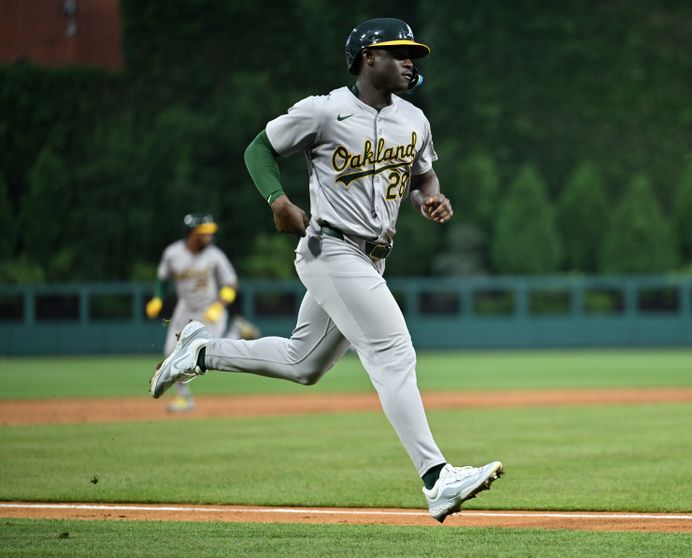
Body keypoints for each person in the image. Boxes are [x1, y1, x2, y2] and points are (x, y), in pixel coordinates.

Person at [149, 18, 503, 522]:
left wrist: (432, 197)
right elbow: (259, 149)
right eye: (397, 52)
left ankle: (200, 353)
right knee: (392, 350)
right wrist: (277, 199)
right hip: (329, 247)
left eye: (412, 55)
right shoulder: (325, 111)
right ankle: (436, 478)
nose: (410, 62)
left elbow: (423, 171)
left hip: (372, 257)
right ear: (365, 59)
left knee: (304, 363)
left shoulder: (414, 119)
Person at [146, 213, 260, 412]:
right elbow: (162, 280)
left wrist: (219, 305)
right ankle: (185, 399)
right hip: (184, 309)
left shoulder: (214, 255)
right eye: (204, 232)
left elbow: (231, 283)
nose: (209, 236)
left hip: (210, 309)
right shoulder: (173, 253)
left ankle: (236, 331)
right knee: (170, 354)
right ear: (192, 233)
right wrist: (157, 297)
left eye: (210, 232)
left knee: (208, 354)